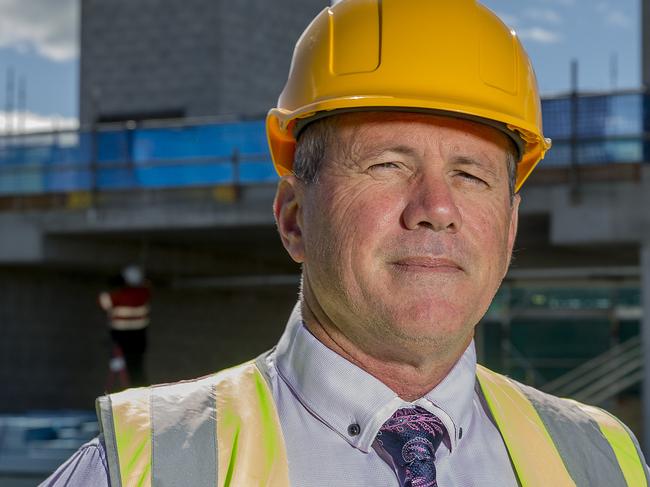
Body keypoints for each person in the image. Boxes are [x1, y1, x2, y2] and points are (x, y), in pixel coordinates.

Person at [42, 0, 648, 485]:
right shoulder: (141, 467)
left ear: (510, 227)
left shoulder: (603, 461)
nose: (436, 209)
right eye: (386, 164)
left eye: (471, 174)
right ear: (293, 218)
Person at [99, 265, 151, 388]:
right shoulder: (144, 294)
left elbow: (103, 302)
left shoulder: (119, 296)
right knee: (136, 366)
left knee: (123, 365)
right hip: (139, 336)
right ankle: (140, 389)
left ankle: (122, 388)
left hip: (120, 336)